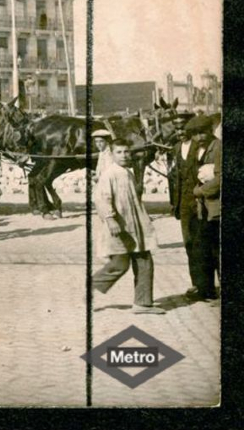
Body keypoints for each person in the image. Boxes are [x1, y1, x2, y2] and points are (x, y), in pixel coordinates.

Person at [92, 139, 164, 314]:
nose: (124, 156)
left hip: (135, 226)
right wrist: (110, 220)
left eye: (127, 152)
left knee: (144, 260)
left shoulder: (127, 173)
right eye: (119, 152)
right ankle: (91, 286)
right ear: (111, 154)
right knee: (120, 264)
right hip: (120, 226)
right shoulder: (110, 174)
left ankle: (142, 303)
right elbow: (101, 199)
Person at [169, 114, 216, 300]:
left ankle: (208, 287)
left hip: (200, 203)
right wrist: (175, 203)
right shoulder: (176, 148)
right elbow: (174, 178)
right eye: (176, 128)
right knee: (189, 245)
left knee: (204, 245)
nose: (180, 131)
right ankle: (197, 284)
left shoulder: (201, 147)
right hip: (184, 205)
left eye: (183, 127)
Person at [190, 120, 221, 301]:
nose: (199, 137)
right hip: (204, 209)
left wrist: (200, 190)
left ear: (210, 131)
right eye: (195, 134)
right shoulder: (200, 149)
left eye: (202, 132)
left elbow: (221, 178)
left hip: (216, 207)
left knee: (218, 251)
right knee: (206, 249)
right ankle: (207, 289)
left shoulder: (218, 148)